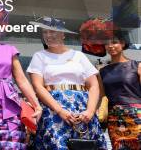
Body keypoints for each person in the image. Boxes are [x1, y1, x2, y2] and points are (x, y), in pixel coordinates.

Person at [27, 16, 107, 150]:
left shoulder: (79, 56)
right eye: (45, 32)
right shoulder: (39, 56)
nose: (48, 35)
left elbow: (93, 85)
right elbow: (38, 86)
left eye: (52, 32)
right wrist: (59, 110)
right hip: (53, 111)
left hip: (83, 112)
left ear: (63, 34)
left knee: (85, 145)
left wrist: (90, 111)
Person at [0, 12, 42, 150]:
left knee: (10, 142)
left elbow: (22, 80)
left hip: (7, 103)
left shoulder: (9, 49)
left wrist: (36, 105)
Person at [100, 27, 141, 149]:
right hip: (114, 117)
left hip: (137, 115)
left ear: (122, 43)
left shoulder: (137, 65)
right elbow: (101, 96)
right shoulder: (102, 71)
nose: (110, 46)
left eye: (114, 42)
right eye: (107, 43)